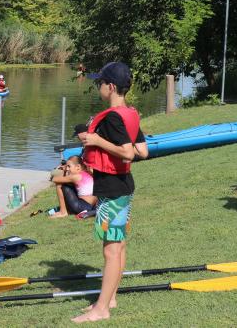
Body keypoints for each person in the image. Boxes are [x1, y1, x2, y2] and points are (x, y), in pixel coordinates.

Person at [72, 62, 148, 323]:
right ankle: (110, 298)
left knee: (111, 249)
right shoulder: (130, 113)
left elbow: (128, 152)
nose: (98, 87)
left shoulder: (114, 117)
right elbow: (142, 151)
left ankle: (101, 309)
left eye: (100, 83)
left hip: (114, 191)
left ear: (111, 86)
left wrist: (97, 141)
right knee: (119, 245)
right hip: (123, 186)